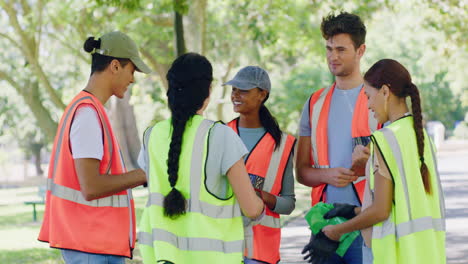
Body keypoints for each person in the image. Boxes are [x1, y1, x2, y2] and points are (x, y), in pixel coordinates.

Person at [137, 53, 265, 264]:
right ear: (208, 91)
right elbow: (251, 208)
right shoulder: (220, 135)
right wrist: (261, 203)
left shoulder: (152, 135)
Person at [38, 31, 151, 263]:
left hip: (93, 244)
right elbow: (91, 186)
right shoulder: (88, 114)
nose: (133, 79)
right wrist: (144, 175)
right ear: (115, 66)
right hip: (90, 247)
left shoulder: (90, 110)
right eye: (132, 71)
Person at [318, 59, 446, 264]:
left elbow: (381, 210)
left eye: (369, 96)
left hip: (394, 254)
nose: (368, 105)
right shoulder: (421, 137)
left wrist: (337, 231)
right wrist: (353, 211)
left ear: (385, 92)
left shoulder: (385, 139)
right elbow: (405, 203)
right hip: (427, 252)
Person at [296, 12, 380, 264]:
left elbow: (396, 169)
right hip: (325, 226)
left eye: (341, 49)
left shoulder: (379, 101)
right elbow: (301, 172)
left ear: (360, 50)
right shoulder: (314, 103)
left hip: (367, 224)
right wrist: (327, 175)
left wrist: (366, 167)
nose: (333, 56)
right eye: (329, 49)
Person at [224, 66, 296, 264]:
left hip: (261, 251)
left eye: (244, 90)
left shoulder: (282, 144)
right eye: (234, 89)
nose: (236, 95)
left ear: (262, 95)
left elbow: (289, 204)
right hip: (223, 246)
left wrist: (261, 196)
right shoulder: (220, 134)